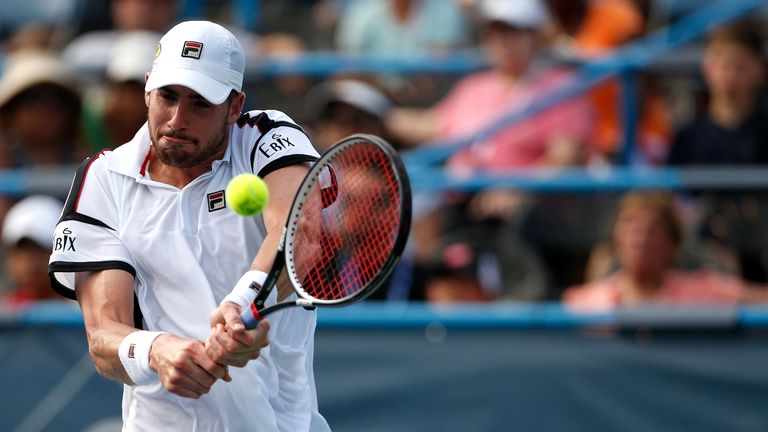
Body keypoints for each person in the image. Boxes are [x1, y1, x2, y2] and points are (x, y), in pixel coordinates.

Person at [48, 21, 330, 431]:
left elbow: (299, 237)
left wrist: (244, 304)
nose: (177, 119)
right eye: (168, 96)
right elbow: (104, 337)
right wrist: (155, 351)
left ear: (235, 107)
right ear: (148, 89)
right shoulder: (103, 178)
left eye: (200, 103)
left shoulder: (265, 136)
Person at [563, 191, 768, 312]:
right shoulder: (587, 302)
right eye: (631, 229)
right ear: (617, 240)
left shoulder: (702, 291)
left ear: (673, 244)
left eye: (651, 231)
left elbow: (753, 298)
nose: (639, 239)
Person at [1, 195, 65, 310]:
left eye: (40, 250)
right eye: (21, 251)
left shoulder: (87, 310)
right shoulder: (5, 308)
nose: (29, 262)